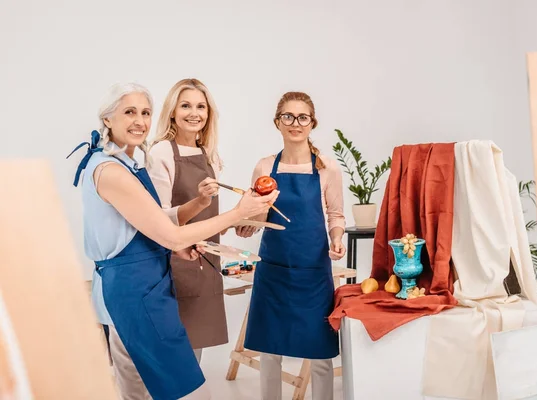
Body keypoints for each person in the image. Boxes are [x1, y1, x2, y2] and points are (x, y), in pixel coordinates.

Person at [67, 82, 278, 400]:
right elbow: (168, 233)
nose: (139, 121)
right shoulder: (111, 170)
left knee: (143, 389)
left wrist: (194, 215)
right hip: (133, 292)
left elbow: (153, 223)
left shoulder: (127, 163)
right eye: (129, 112)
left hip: (143, 286)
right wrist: (238, 213)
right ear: (107, 119)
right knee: (182, 391)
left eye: (145, 113)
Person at [238, 91, 346, 400]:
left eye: (302, 117)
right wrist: (246, 225)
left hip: (313, 273)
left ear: (312, 123)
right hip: (273, 271)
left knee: (321, 352)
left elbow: (336, 215)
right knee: (270, 351)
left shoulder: (327, 168)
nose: (295, 123)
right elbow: (254, 216)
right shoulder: (264, 167)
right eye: (288, 116)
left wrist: (337, 238)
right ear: (277, 122)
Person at [147, 78, 227, 363]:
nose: (194, 113)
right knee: (172, 355)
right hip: (173, 261)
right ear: (172, 111)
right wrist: (201, 202)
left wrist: (241, 221)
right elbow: (158, 218)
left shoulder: (209, 154)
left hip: (205, 261)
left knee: (196, 348)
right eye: (186, 105)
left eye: (201, 106)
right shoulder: (160, 153)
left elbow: (211, 216)